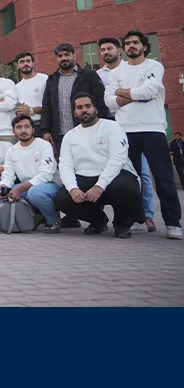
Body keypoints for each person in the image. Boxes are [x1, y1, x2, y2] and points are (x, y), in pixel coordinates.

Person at [105, 29, 182, 240]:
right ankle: (137, 219)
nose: (131, 46)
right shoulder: (116, 72)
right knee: (131, 179)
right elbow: (108, 102)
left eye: (135, 42)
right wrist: (135, 93)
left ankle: (173, 223)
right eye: (127, 43)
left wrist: (121, 91)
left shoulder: (154, 66)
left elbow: (149, 91)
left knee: (164, 179)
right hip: (125, 132)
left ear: (145, 46)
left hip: (153, 130)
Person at [55, 92, 143, 239]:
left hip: (116, 176)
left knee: (123, 187)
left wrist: (99, 186)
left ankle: (122, 224)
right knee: (62, 198)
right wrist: (72, 188)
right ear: (75, 113)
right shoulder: (70, 136)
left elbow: (117, 159)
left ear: (95, 109)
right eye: (79, 107)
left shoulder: (112, 127)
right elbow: (65, 165)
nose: (84, 110)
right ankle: (98, 220)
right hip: (85, 178)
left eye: (87, 106)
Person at [40, 42, 108, 229]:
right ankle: (73, 215)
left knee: (91, 173)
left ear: (73, 55)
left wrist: (99, 127)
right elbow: (46, 108)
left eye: (67, 54)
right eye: (60, 56)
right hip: (62, 136)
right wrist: (45, 130)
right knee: (69, 175)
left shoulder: (88, 75)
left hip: (87, 133)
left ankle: (97, 217)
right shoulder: (52, 80)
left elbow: (100, 103)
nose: (64, 58)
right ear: (56, 58)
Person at [97, 36, 156, 233]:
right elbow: (106, 100)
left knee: (142, 172)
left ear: (119, 50)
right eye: (103, 49)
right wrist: (131, 95)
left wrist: (121, 94)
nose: (106, 52)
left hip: (133, 124)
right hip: (108, 124)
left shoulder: (132, 69)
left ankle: (147, 215)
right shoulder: (98, 75)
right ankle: (127, 216)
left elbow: (144, 93)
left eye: (110, 48)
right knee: (115, 171)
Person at [0, 114, 63, 233]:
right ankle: (31, 215)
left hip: (51, 185)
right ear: (14, 131)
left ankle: (53, 220)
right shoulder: (11, 151)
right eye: (19, 127)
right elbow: (8, 174)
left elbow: (46, 175)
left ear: (33, 130)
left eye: (27, 127)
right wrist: (4, 187)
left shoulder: (44, 145)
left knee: (35, 193)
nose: (23, 130)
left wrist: (19, 189)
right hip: (27, 187)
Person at [14, 51, 48, 138]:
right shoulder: (16, 87)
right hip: (25, 128)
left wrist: (31, 110)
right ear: (17, 66)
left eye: (28, 61)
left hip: (44, 125)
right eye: (22, 62)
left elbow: (52, 105)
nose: (25, 64)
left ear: (33, 63)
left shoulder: (45, 79)